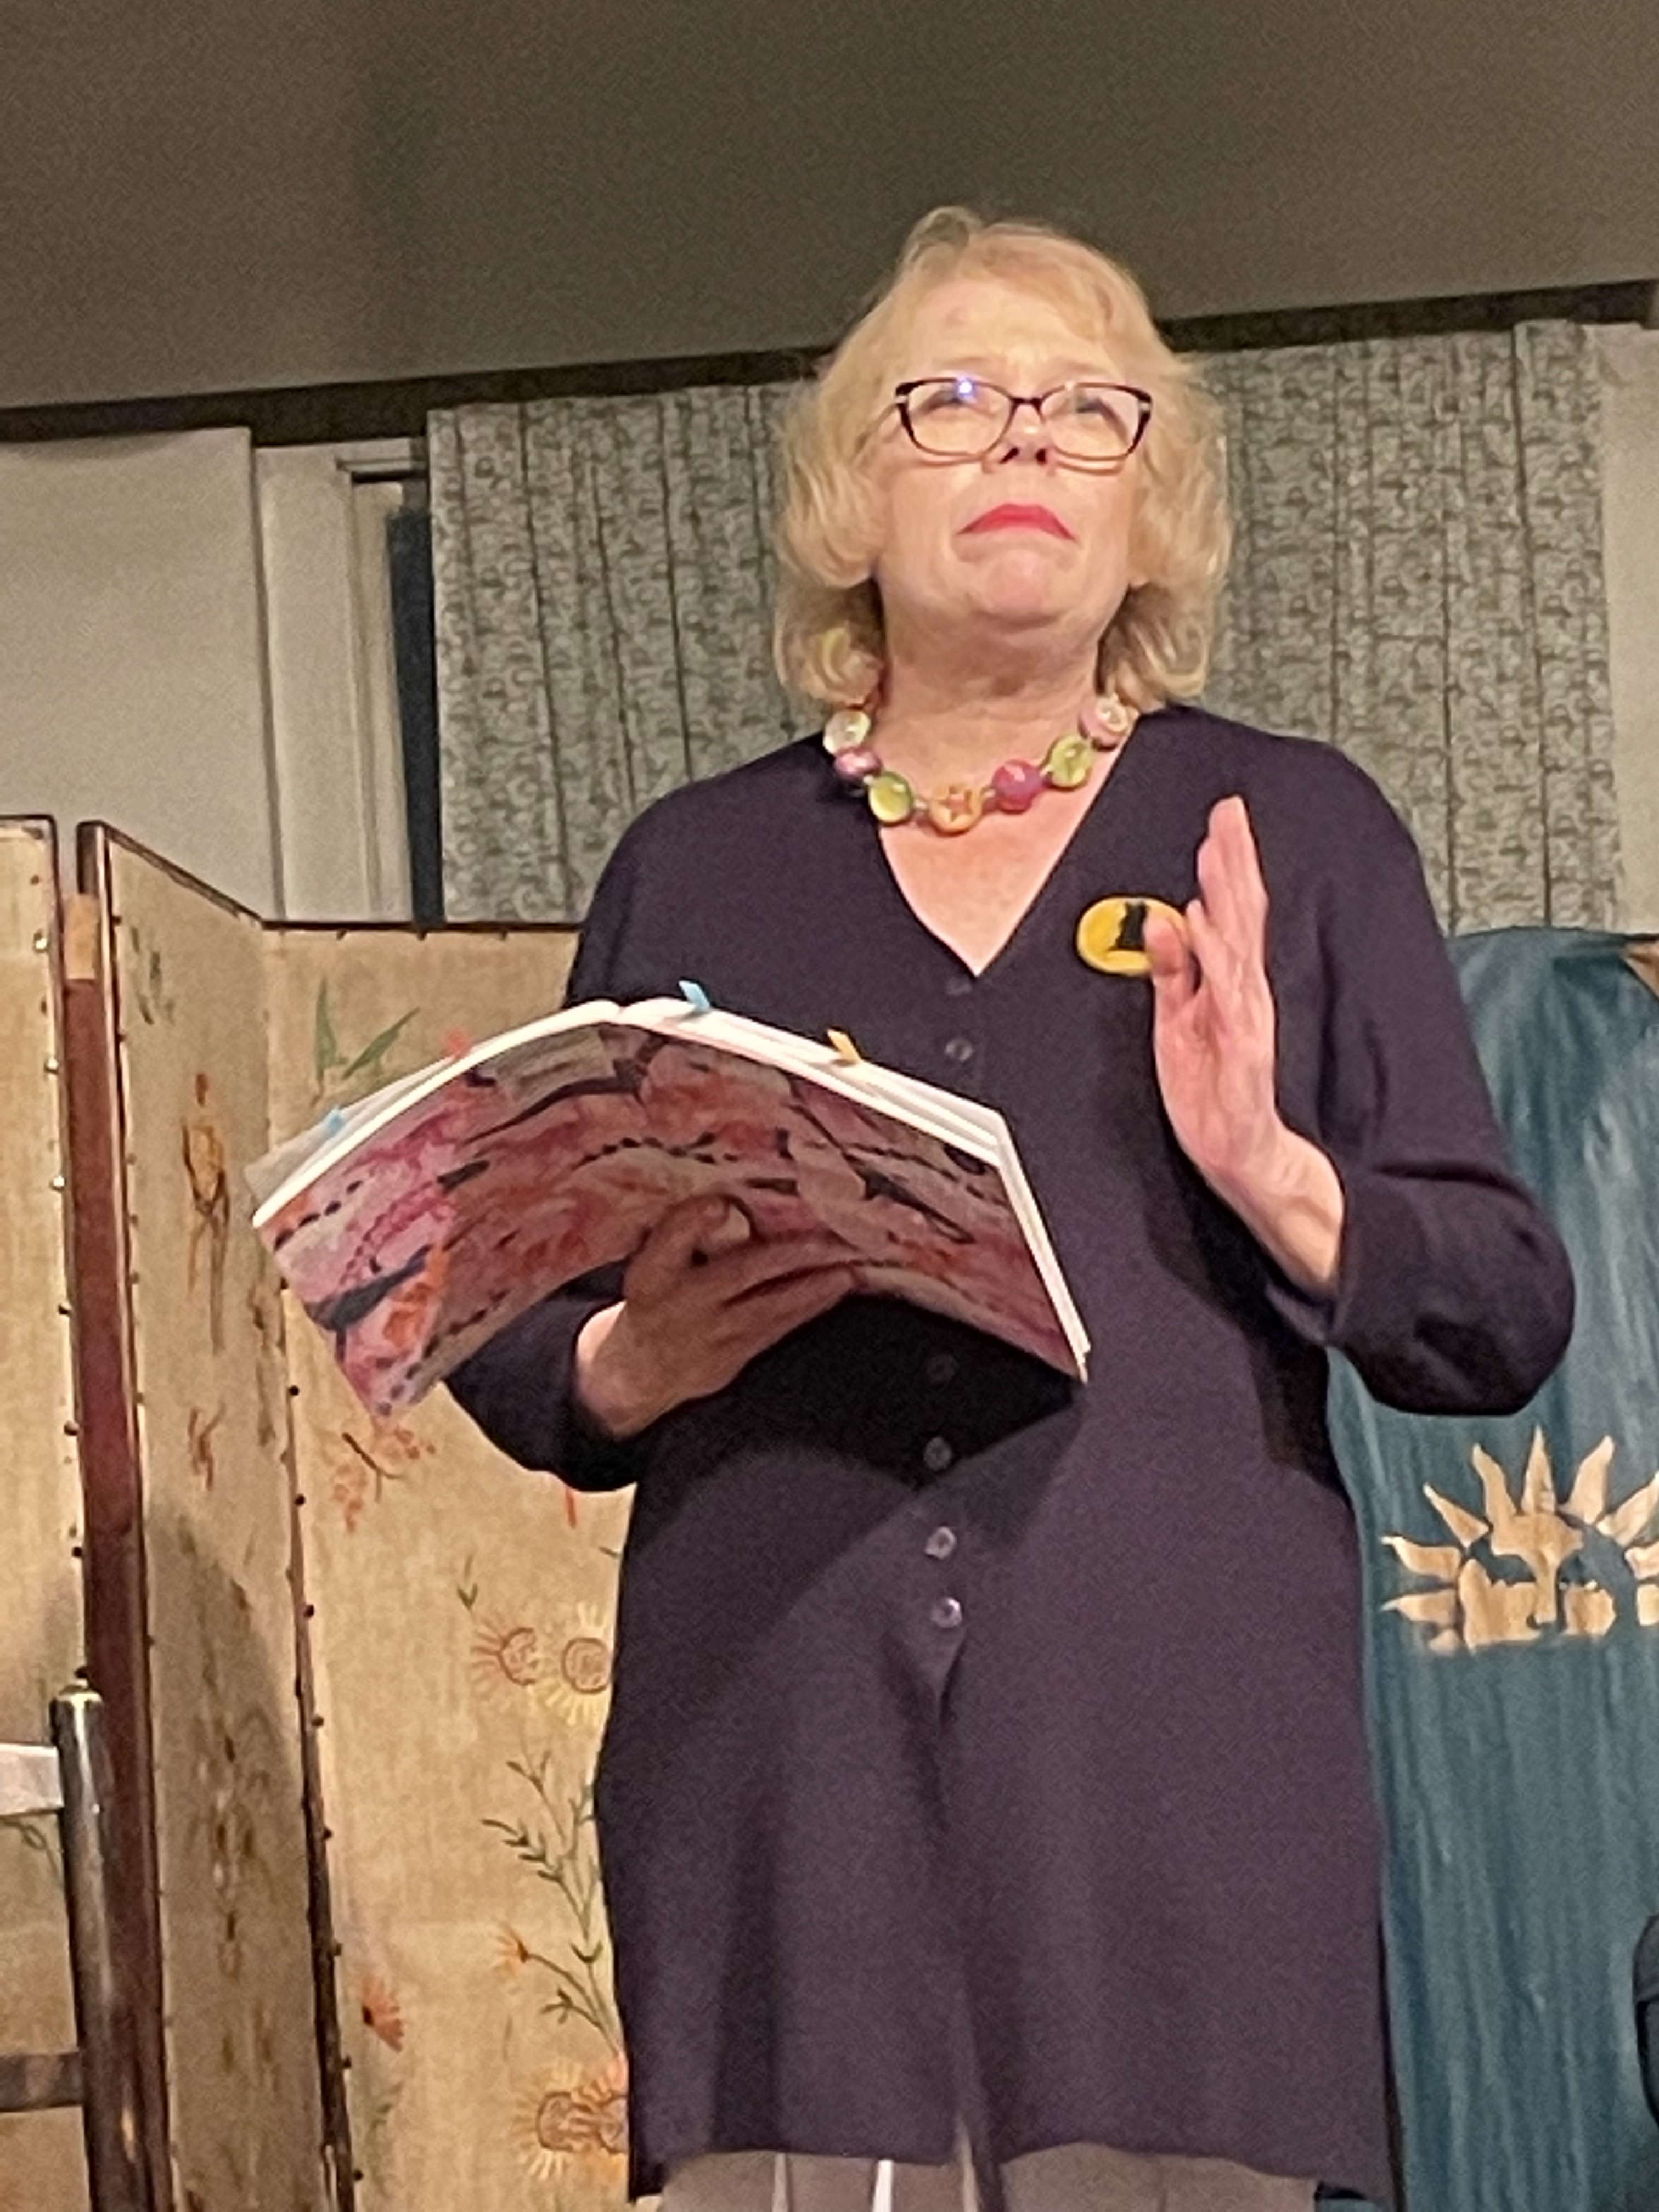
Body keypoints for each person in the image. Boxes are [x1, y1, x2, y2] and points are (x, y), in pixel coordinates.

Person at [448, 208, 1575, 2211]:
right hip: (785, 1775)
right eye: (954, 403)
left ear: (1152, 507)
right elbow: (518, 1319)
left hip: (1170, 1786)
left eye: (1085, 410)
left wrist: (1276, 1173)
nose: (1026, 441)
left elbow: (1498, 1310)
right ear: (851, 493)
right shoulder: (696, 866)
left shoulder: (1291, 832)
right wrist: (627, 1364)